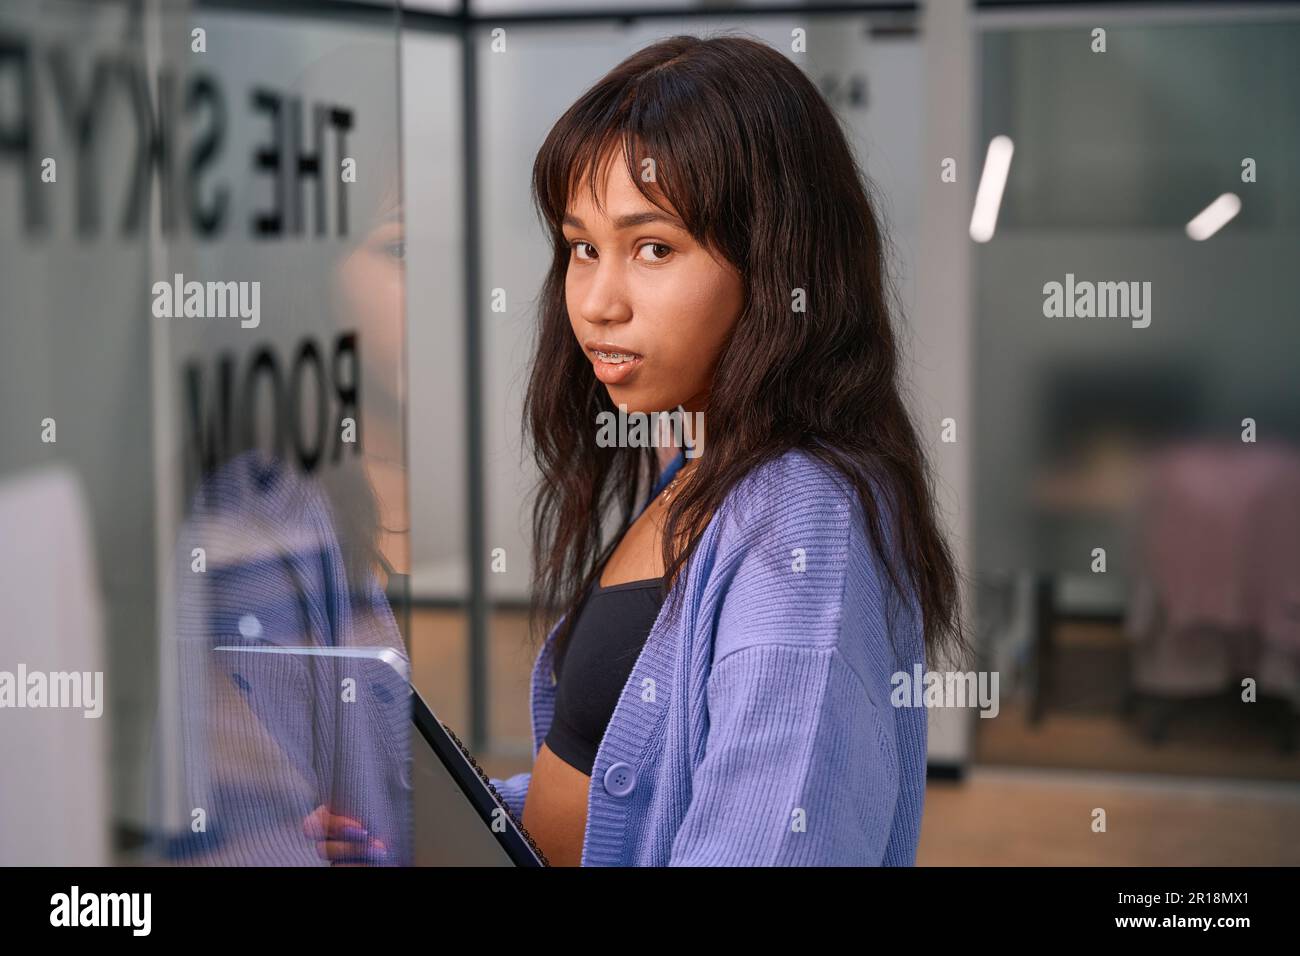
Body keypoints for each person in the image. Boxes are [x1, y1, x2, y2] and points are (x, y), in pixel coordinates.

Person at [485, 33, 966, 866]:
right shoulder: (698, 465)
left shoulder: (799, 519)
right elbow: (620, 777)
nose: (597, 302)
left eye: (654, 248)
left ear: (778, 263)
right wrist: (454, 811)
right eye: (582, 247)